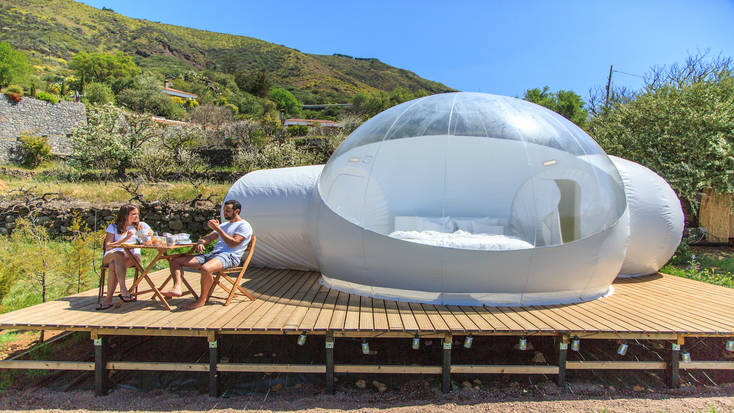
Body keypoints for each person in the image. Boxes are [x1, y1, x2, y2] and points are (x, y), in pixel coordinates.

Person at [165, 200, 252, 309]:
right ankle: (177, 287)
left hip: (229, 256)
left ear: (237, 211)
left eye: (228, 211)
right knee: (175, 261)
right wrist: (201, 242)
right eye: (224, 210)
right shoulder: (224, 225)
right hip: (213, 255)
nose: (225, 213)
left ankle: (202, 299)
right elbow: (209, 238)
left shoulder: (244, 226)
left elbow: (233, 243)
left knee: (206, 269)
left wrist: (218, 229)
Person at [97, 204, 152, 310]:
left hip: (131, 257)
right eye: (133, 214)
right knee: (118, 254)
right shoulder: (113, 227)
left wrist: (148, 236)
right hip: (111, 256)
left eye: (137, 214)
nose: (137, 216)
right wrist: (125, 239)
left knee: (114, 265)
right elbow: (108, 246)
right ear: (125, 215)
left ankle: (108, 300)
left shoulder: (140, 226)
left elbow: (149, 238)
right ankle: (123, 290)